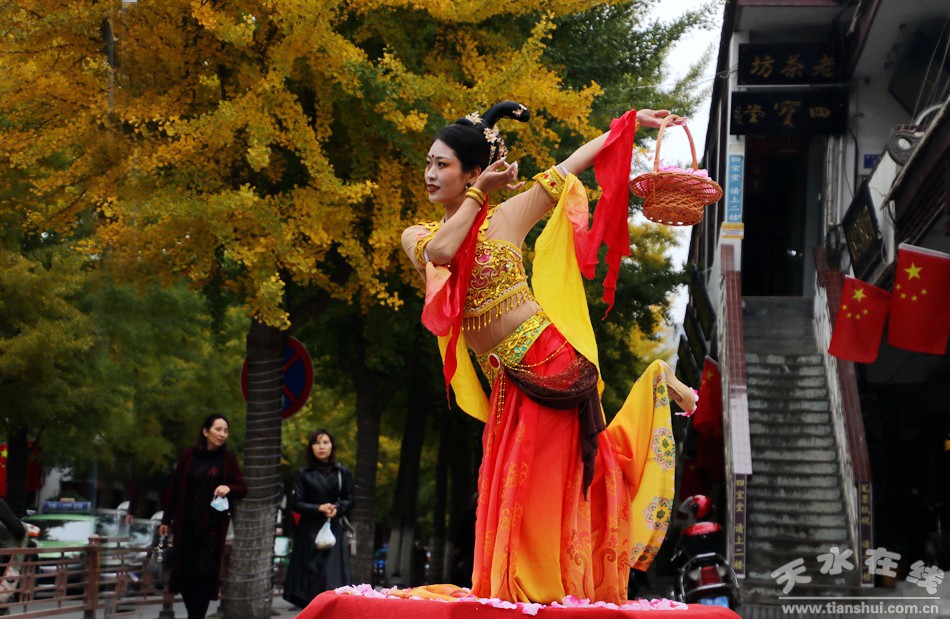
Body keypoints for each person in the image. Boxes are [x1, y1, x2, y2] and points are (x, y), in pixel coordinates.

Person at [400, 102, 698, 605]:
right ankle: (528, 591)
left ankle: (542, 593)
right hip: (504, 382)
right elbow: (444, 253)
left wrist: (628, 124)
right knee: (520, 485)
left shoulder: (508, 217)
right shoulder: (419, 236)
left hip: (549, 360)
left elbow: (571, 164)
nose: (430, 173)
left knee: (552, 482)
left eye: (442, 164)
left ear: (472, 173)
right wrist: (478, 194)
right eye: (429, 162)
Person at [159, 414, 247, 619]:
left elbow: (242, 489)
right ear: (206, 431)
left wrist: (228, 487)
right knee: (186, 575)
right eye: (218, 429)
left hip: (212, 529)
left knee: (205, 576)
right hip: (187, 526)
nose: (222, 434)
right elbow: (174, 488)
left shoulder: (228, 459)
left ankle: (197, 616)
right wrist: (165, 519)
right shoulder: (189, 456)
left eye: (225, 431)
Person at [283, 429, 355, 609]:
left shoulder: (342, 472)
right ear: (311, 448)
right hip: (309, 532)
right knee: (310, 579)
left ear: (332, 446)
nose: (321, 447)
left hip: (334, 530)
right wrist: (319, 508)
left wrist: (337, 508)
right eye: (317, 443)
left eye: (325, 442)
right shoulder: (304, 474)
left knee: (333, 577)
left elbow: (350, 499)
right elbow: (297, 503)